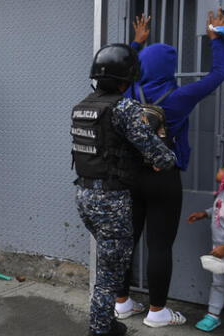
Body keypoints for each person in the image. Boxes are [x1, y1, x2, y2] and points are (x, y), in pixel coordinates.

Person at [115, 9, 224, 328]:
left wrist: (135, 44)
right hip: (163, 178)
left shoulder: (126, 93)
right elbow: (218, 75)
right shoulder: (178, 97)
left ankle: (121, 303)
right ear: (171, 68)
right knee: (160, 245)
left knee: (127, 240)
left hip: (128, 177)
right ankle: (156, 312)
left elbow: (114, 71)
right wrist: (215, 40)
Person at [72, 43, 176, 336]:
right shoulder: (124, 108)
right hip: (111, 200)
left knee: (109, 263)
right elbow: (157, 154)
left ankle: (107, 323)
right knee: (109, 273)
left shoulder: (83, 105)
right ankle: (100, 329)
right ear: (126, 79)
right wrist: (168, 158)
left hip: (84, 196)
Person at [188, 163, 224, 332]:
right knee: (218, 283)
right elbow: (220, 209)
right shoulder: (223, 191)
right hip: (219, 250)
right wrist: (205, 214)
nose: (218, 171)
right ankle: (213, 315)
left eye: (223, 169)